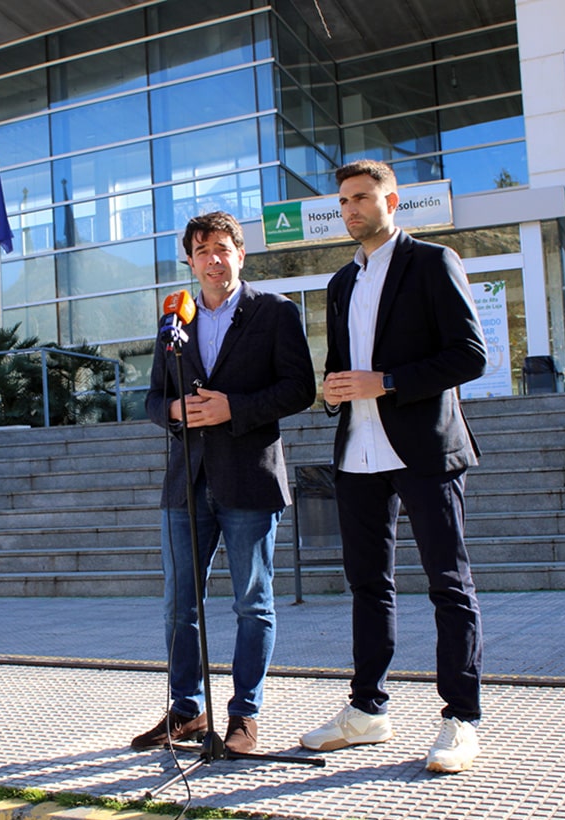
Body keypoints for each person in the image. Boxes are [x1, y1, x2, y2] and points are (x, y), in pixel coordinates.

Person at [298, 160, 488, 773]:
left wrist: (386, 382)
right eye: (343, 201)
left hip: (425, 448)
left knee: (448, 584)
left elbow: (470, 355)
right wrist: (332, 391)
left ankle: (461, 720)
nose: (350, 210)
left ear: (392, 201)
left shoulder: (433, 262)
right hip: (358, 453)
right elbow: (342, 365)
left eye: (361, 198)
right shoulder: (339, 283)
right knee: (367, 586)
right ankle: (368, 711)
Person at [133, 211, 316, 755]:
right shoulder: (173, 321)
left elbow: (299, 389)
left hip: (249, 479)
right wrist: (172, 409)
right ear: (189, 260)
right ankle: (186, 711)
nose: (213, 259)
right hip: (185, 483)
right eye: (201, 250)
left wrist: (230, 408)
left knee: (252, 603)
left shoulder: (275, 313)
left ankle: (243, 716)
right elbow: (151, 400)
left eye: (222, 248)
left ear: (240, 253)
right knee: (177, 604)